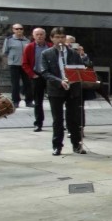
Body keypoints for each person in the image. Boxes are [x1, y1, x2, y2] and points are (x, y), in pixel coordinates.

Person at [39, 27, 86, 156]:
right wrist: (59, 81)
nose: (60, 40)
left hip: (72, 88)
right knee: (57, 119)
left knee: (73, 118)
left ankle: (76, 145)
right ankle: (57, 146)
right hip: (56, 89)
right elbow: (45, 72)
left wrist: (73, 78)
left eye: (62, 37)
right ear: (52, 38)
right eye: (57, 37)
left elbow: (81, 69)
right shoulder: (46, 53)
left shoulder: (73, 53)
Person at [21, 27, 52, 131]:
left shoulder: (50, 46)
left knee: (55, 100)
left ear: (45, 35)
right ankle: (38, 123)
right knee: (38, 101)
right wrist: (32, 74)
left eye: (41, 34)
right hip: (37, 75)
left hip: (50, 76)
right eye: (37, 34)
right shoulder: (29, 47)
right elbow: (25, 63)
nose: (39, 36)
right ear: (33, 36)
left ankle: (58, 122)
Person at [0, 23, 31, 108]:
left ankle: (29, 101)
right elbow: (5, 51)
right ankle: (15, 101)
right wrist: (11, 59)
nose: (19, 30)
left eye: (21, 29)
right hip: (14, 64)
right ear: (13, 30)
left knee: (27, 83)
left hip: (25, 65)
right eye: (17, 29)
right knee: (15, 84)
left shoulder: (27, 40)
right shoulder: (9, 40)